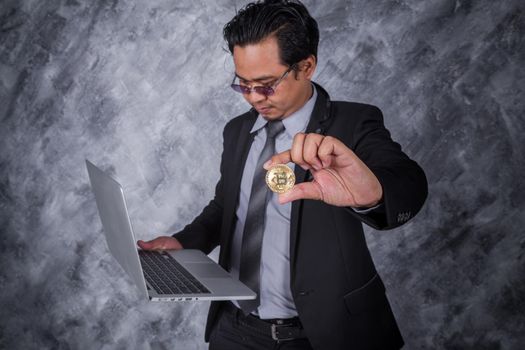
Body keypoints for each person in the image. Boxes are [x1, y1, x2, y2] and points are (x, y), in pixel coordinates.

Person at [138, 1, 428, 349]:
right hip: (233, 329)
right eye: (243, 84)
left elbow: (409, 184)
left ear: (306, 67)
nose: (254, 98)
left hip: (323, 335)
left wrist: (372, 194)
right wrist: (184, 244)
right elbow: (225, 208)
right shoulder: (236, 131)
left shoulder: (353, 124)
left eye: (266, 84)